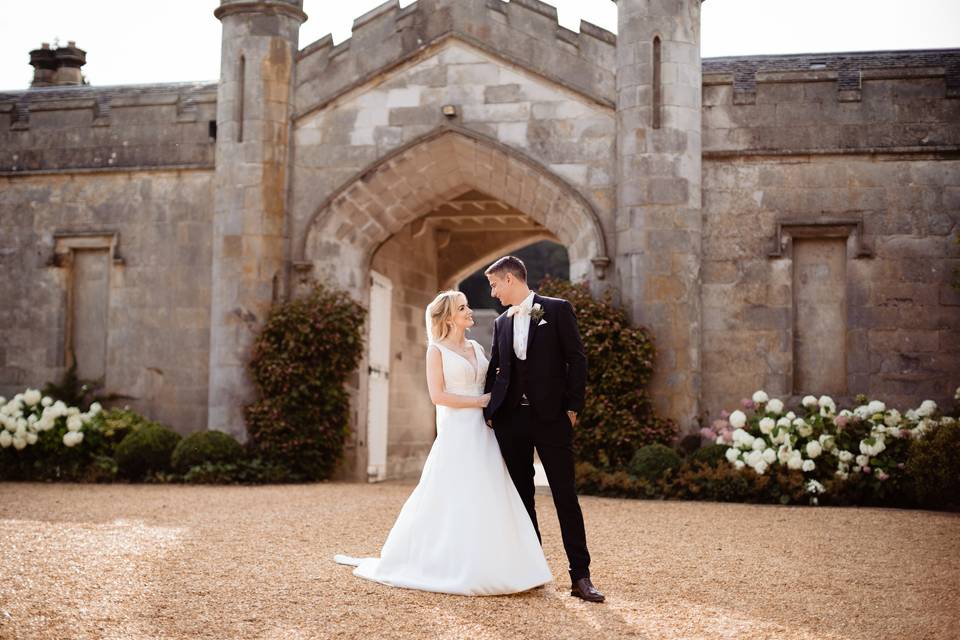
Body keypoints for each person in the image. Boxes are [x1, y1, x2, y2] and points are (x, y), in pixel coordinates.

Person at [334, 290, 552, 595]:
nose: (470, 311)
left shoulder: (476, 346)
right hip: (458, 430)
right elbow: (438, 396)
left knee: (492, 491)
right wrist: (479, 401)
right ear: (449, 317)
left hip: (484, 430)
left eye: (467, 305)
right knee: (454, 493)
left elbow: (498, 377)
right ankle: (446, 563)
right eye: (463, 308)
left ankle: (506, 565)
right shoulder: (435, 351)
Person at [483, 256, 605, 603]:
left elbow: (577, 358)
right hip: (510, 421)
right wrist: (491, 411)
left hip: (552, 418)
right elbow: (496, 368)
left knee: (565, 496)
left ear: (510, 279)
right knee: (522, 499)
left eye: (494, 284)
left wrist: (572, 407)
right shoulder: (501, 323)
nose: (493, 293)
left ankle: (580, 577)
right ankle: (532, 571)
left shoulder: (557, 309)